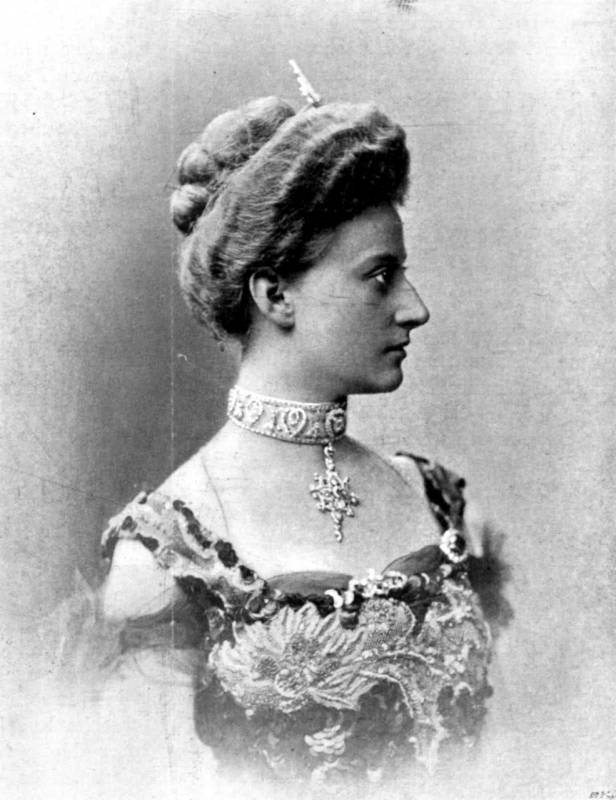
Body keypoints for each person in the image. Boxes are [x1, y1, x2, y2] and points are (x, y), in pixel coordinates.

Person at [63, 89, 494, 798]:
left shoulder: (438, 500)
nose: (414, 307)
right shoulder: (169, 549)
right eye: (380, 276)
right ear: (274, 295)